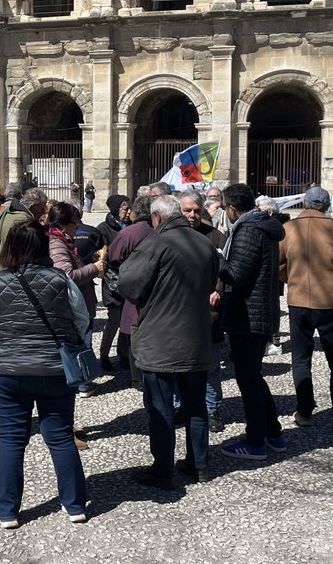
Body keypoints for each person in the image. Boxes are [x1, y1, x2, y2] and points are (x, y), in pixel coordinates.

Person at [0, 219, 90, 528]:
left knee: (11, 440)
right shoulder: (60, 279)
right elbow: (82, 320)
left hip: (8, 370)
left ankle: (8, 510)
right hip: (54, 369)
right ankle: (74, 503)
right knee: (61, 436)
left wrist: (0, 341)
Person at [117, 195, 220, 487]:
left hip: (160, 338)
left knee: (160, 407)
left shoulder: (155, 244)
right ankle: (199, 464)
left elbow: (129, 285)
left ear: (157, 218)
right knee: (196, 404)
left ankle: (162, 469)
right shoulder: (204, 243)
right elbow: (214, 279)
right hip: (197, 335)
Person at [213, 184, 287, 460]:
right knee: (254, 376)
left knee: (248, 380)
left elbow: (237, 273)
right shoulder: (261, 226)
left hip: (248, 314)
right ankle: (273, 433)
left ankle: (256, 441)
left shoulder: (248, 230)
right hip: (259, 311)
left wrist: (215, 259)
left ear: (232, 209)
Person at [278, 186, 333, 432]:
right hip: (329, 301)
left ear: (305, 202)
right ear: (326, 205)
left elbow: (279, 264)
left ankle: (303, 411)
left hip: (298, 300)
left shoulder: (288, 228)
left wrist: (292, 280)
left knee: (301, 359)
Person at [179, 190, 228, 432]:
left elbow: (225, 270)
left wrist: (218, 289)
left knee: (210, 368)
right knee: (179, 365)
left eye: (196, 210)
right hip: (179, 315)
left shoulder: (215, 237)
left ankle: (212, 409)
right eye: (187, 210)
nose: (192, 215)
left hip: (209, 315)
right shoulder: (172, 236)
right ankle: (180, 406)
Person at [47, 202, 105, 398]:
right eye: (75, 222)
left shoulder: (64, 241)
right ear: (63, 224)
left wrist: (88, 261)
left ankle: (81, 381)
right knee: (80, 344)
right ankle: (82, 383)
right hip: (73, 306)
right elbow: (66, 275)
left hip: (78, 302)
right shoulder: (56, 244)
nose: (78, 226)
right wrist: (94, 268)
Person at [107, 194, 154, 385]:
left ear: (135, 212)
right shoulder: (160, 230)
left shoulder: (128, 233)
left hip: (133, 288)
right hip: (157, 289)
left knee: (135, 331)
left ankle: (137, 378)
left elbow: (113, 257)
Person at [96, 194, 130, 371]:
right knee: (115, 318)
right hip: (112, 280)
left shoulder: (131, 226)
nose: (128, 211)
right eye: (125, 207)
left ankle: (123, 354)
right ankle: (104, 354)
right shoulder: (104, 228)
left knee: (128, 318)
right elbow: (99, 252)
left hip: (129, 278)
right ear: (116, 209)